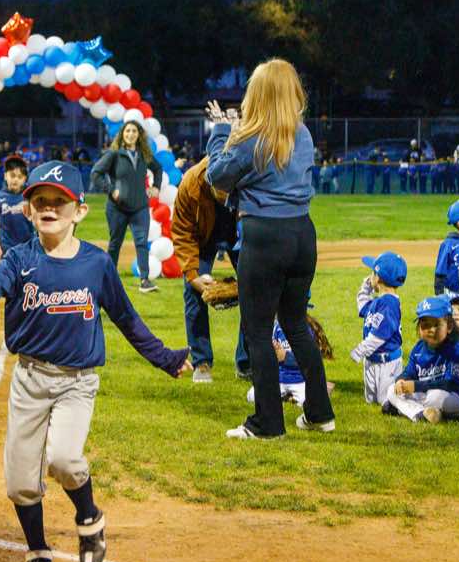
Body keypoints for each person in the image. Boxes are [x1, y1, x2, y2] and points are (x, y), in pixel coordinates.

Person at [0, 162, 191, 562]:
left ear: (80, 211)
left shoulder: (96, 263)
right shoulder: (18, 259)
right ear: (28, 210)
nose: (49, 208)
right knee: (20, 481)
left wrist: (164, 358)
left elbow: (126, 318)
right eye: (40, 201)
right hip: (30, 380)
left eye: (59, 201)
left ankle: (89, 517)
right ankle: (38, 552)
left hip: (76, 382)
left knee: (65, 460)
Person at [205, 58, 336, 439]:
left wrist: (221, 131)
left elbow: (217, 176)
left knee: (258, 332)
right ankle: (319, 413)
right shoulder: (303, 134)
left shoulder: (252, 139)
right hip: (302, 234)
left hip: (264, 236)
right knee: (295, 324)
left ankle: (267, 424)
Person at [171, 156, 250, 383]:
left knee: (254, 291)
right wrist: (192, 275)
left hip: (241, 233)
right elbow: (182, 232)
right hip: (203, 238)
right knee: (193, 290)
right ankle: (201, 362)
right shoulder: (190, 184)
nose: (226, 195)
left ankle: (246, 362)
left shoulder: (247, 175)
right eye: (221, 188)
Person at [90, 120, 163, 293]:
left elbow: (158, 169)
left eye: (134, 131)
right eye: (128, 131)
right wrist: (110, 190)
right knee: (115, 243)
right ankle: (109, 279)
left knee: (141, 243)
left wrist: (156, 187)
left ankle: (145, 281)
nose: (131, 134)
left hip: (140, 207)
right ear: (122, 134)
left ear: (139, 135)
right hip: (117, 208)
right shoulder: (114, 154)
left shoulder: (144, 154)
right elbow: (96, 173)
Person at [383, 296, 459, 422]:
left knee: (436, 396)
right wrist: (401, 381)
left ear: (449, 326)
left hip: (457, 398)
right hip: (426, 393)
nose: (431, 330)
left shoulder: (457, 350)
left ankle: (401, 409)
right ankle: (420, 414)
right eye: (425, 325)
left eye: (436, 325)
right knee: (392, 390)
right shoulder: (418, 349)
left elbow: (451, 384)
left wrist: (416, 386)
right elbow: (409, 372)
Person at [350, 252, 406, 405]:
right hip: (372, 361)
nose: (370, 277)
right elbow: (362, 306)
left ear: (379, 278)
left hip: (387, 364)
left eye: (372, 273)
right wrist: (366, 287)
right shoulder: (379, 301)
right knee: (371, 402)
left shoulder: (390, 304)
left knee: (386, 402)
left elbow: (380, 336)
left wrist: (360, 350)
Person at [247, 314, 333, 407]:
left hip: (300, 380)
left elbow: (308, 359)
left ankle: (321, 387)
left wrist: (286, 357)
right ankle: (287, 396)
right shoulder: (277, 327)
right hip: (279, 379)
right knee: (252, 396)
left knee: (312, 404)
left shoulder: (304, 330)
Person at [0, 155, 34, 253]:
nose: (16, 179)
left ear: (25, 179)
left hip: (27, 246)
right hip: (6, 248)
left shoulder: (29, 196)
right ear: (5, 176)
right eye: (12, 175)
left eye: (20, 177)